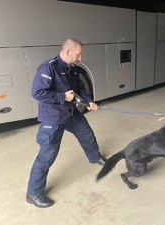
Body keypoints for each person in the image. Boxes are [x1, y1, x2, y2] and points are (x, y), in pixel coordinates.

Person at [26, 38, 106, 208]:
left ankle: (95, 157)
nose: (80, 58)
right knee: (47, 155)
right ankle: (33, 193)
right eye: (78, 54)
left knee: (87, 135)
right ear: (68, 52)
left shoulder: (73, 69)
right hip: (53, 118)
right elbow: (37, 92)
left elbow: (81, 89)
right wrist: (62, 97)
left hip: (70, 113)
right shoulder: (48, 67)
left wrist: (89, 102)